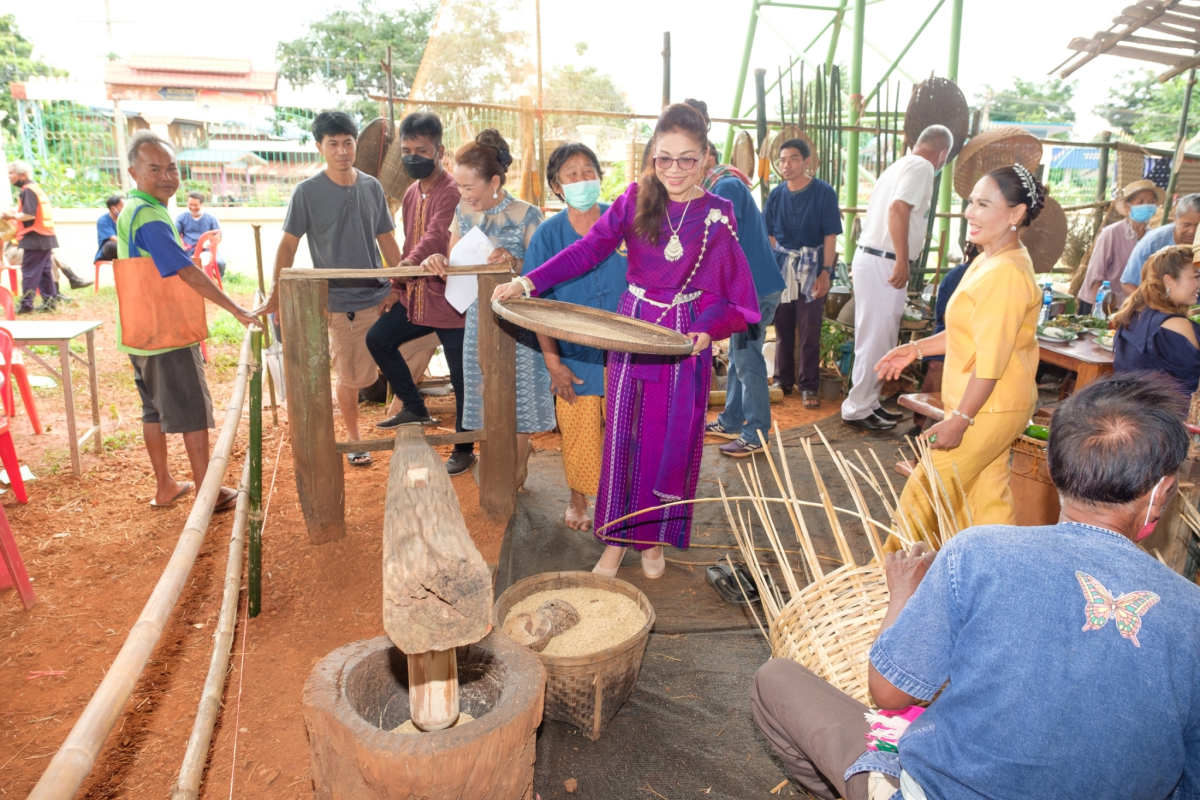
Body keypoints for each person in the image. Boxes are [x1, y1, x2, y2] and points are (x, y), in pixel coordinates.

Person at [752, 372, 1200, 800]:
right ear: (1161, 491)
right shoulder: (1192, 610)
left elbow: (889, 693)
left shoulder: (979, 552)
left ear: (1051, 466)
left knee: (776, 680)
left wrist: (905, 594)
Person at [493, 103, 759, 578]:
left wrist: (707, 331)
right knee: (625, 441)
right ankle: (615, 543)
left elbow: (728, 291)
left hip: (683, 339)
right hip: (633, 328)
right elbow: (588, 249)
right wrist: (528, 283)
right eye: (664, 158)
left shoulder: (719, 213)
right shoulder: (636, 198)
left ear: (705, 159)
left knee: (668, 444)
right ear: (651, 156)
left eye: (687, 159)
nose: (674, 170)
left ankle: (653, 541)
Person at [875, 166, 1044, 545]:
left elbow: (991, 360)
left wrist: (961, 419)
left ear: (1015, 214)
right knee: (986, 502)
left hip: (988, 409)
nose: (969, 212)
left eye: (984, 204)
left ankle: (887, 581)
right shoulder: (988, 260)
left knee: (925, 491)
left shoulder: (1006, 273)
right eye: (970, 202)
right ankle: (998, 582)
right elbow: (967, 332)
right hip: (987, 405)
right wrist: (915, 348)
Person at [116, 130, 258, 511]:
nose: (166, 176)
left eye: (172, 168)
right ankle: (206, 492)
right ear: (134, 172)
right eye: (154, 168)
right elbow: (186, 271)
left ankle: (165, 485)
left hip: (139, 331)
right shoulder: (149, 215)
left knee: (153, 409)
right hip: (166, 333)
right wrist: (237, 309)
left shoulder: (134, 207)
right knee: (192, 409)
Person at [254, 111, 401, 465]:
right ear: (319, 147)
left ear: (355, 144)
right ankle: (353, 438)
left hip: (381, 294)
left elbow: (388, 240)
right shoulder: (307, 193)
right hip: (343, 301)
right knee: (350, 377)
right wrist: (277, 292)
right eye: (332, 144)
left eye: (347, 142)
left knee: (420, 342)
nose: (341, 150)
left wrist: (400, 285)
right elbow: (287, 246)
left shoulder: (371, 186)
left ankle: (406, 417)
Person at [419, 130, 552, 487]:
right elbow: (455, 259)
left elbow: (544, 273)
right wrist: (437, 260)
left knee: (519, 397)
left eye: (470, 187)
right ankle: (501, 468)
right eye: (460, 187)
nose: (464, 195)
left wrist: (514, 261)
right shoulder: (462, 214)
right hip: (478, 321)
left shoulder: (528, 215)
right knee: (486, 393)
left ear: (494, 181)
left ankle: (518, 465)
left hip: (519, 325)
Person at [523, 142, 628, 529]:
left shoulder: (622, 226)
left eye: (589, 171)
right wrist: (553, 363)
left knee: (624, 430)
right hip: (574, 354)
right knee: (579, 430)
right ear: (556, 186)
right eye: (572, 173)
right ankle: (578, 499)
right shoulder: (548, 236)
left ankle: (622, 503)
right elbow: (537, 303)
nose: (583, 179)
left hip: (627, 351)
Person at [365, 112, 475, 475]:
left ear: (439, 151)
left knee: (462, 378)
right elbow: (412, 240)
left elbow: (435, 238)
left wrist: (401, 270)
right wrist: (399, 287)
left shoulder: (452, 190)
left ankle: (465, 447)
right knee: (379, 338)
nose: (413, 156)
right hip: (417, 297)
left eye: (421, 150)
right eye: (407, 149)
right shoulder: (412, 191)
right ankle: (415, 407)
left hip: (451, 300)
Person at [681, 99, 786, 458]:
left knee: (746, 358)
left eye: (691, 158)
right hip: (752, 286)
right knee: (742, 352)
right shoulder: (723, 184)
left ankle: (756, 432)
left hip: (754, 290)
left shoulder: (724, 187)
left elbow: (716, 245)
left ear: (707, 156)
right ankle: (732, 418)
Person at [841, 126, 952, 432]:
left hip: (875, 257)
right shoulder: (922, 166)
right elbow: (899, 208)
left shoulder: (900, 164)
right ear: (942, 154)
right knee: (876, 337)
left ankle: (868, 401)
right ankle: (858, 407)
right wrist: (903, 259)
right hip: (884, 259)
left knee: (880, 336)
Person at [763, 137, 843, 409]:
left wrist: (826, 273)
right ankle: (782, 380)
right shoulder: (775, 194)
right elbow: (771, 237)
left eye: (793, 159)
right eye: (782, 160)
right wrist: (773, 267)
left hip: (812, 265)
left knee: (810, 328)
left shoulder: (823, 193)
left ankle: (808, 386)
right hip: (783, 266)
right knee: (782, 327)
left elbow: (830, 236)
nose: (786, 165)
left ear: (807, 162)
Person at [1113, 244, 1200, 397]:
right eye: (1196, 277)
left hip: (1131, 412)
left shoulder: (1131, 316)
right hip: (1171, 418)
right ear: (1168, 280)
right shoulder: (1177, 326)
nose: (1199, 284)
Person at [908, 245, 973, 435]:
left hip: (978, 342)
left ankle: (959, 421)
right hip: (950, 337)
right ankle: (922, 423)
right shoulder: (956, 276)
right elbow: (946, 318)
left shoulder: (999, 275)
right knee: (938, 368)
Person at [1076, 179, 1162, 313]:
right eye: (1141, 201)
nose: (1147, 206)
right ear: (1128, 207)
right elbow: (1096, 273)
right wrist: (1099, 307)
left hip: (1131, 306)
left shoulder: (1154, 238)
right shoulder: (1111, 233)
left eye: (1151, 202)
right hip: (1102, 303)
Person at [2, 160, 60, 312]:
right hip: (45, 236)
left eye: (11, 173)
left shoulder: (28, 190)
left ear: (22, 174)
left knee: (29, 271)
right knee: (45, 271)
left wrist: (11, 216)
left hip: (34, 237)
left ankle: (26, 305)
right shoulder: (36, 188)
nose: (9, 177)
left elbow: (29, 214)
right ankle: (49, 303)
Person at [1119, 192, 1200, 299]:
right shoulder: (1152, 243)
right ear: (1175, 218)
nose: (1192, 231)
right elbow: (1128, 284)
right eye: (1186, 225)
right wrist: (1152, 308)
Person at [175, 192, 225, 277]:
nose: (193, 207)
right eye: (190, 204)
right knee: (176, 264)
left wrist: (211, 243)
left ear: (201, 204)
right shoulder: (181, 218)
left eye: (195, 205)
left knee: (220, 263)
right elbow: (175, 234)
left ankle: (215, 284)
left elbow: (219, 237)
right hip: (188, 250)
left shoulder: (211, 218)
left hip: (207, 250)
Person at [97, 194, 124, 262]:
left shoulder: (126, 219)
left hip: (125, 247)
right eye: (123, 207)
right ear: (113, 209)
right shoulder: (103, 220)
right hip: (110, 250)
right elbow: (113, 238)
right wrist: (129, 244)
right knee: (111, 245)